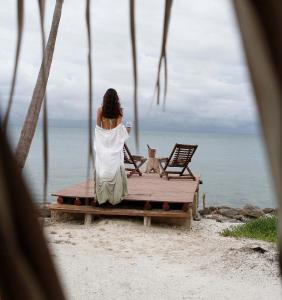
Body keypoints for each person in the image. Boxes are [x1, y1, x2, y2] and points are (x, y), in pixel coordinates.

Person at [94, 88, 129, 205]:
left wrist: (102, 141)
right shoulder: (120, 111)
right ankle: (115, 196)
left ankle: (102, 197)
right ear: (116, 99)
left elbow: (98, 128)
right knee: (115, 167)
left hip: (103, 144)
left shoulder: (100, 110)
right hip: (115, 144)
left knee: (103, 168)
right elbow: (118, 129)